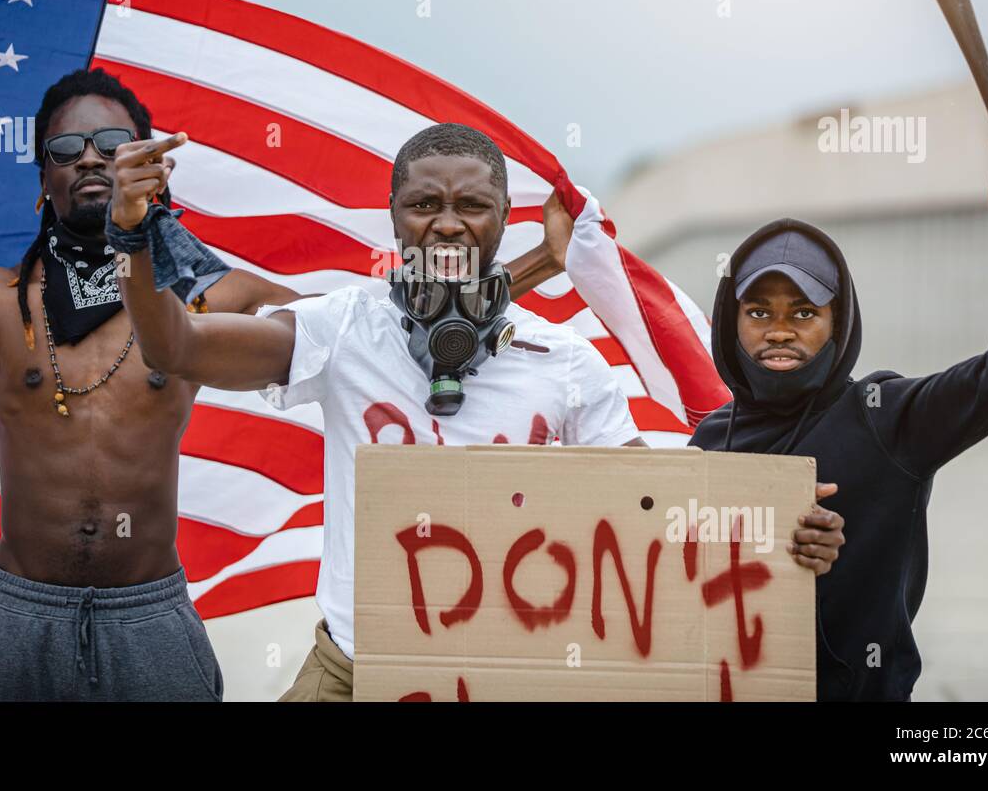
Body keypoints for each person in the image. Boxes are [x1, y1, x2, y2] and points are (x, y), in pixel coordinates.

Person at [0, 69, 577, 701]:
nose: (90, 157)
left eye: (112, 142)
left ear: (151, 165)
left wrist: (532, 264)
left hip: (149, 617)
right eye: (66, 149)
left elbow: (383, 329)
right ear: (41, 182)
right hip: (16, 618)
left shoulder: (208, 295)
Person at [108, 121, 846, 701]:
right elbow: (177, 348)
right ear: (394, 217)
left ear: (501, 218)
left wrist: (775, 525)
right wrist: (134, 234)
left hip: (510, 677)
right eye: (425, 205)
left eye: (473, 206)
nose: (449, 224)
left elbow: (653, 516)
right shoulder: (341, 328)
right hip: (354, 673)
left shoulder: (565, 364)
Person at [689, 140, 988, 701]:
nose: (780, 330)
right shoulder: (710, 441)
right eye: (758, 311)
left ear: (839, 324)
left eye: (806, 312)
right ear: (729, 319)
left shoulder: (887, 419)